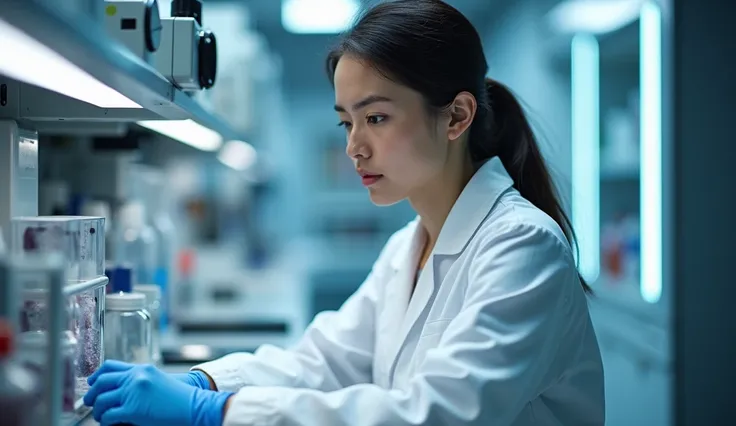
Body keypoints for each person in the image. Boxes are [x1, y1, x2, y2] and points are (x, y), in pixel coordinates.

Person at [82, 0, 605, 425]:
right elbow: (324, 361)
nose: (355, 147)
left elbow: (437, 414)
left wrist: (214, 413)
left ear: (457, 116)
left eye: (375, 117)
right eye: (346, 124)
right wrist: (206, 382)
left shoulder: (522, 246)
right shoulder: (408, 246)